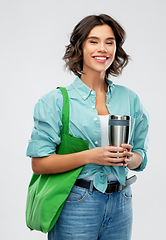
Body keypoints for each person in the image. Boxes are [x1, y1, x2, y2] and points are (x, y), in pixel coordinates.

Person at [26, 14, 149, 240]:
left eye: (109, 42)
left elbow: (141, 156)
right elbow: (39, 163)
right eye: (93, 41)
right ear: (80, 47)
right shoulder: (55, 101)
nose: (102, 49)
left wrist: (128, 157)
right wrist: (92, 156)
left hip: (122, 202)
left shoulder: (130, 99)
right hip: (77, 202)